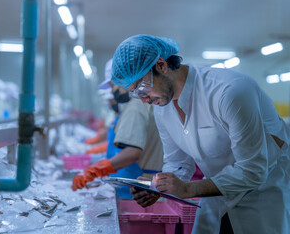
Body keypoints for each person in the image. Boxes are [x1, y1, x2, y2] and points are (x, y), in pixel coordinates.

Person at [110, 34, 290, 233]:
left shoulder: (229, 92)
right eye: (135, 93)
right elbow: (177, 163)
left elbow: (253, 170)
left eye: (142, 87)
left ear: (161, 65)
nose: (143, 100)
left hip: (262, 193)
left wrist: (188, 189)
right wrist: (161, 188)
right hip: (216, 190)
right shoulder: (163, 108)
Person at [72, 58, 164, 199]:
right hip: (139, 184)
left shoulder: (136, 105)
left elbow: (133, 151)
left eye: (113, 85)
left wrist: (95, 170)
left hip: (138, 187)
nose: (114, 90)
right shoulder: (138, 104)